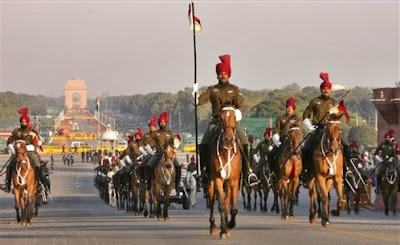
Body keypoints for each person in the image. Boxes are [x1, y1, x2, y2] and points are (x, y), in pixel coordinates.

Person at [194, 54, 254, 185]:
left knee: (244, 141)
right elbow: (201, 100)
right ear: (217, 75)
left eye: (225, 73)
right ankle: (204, 170)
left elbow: (240, 105)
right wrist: (195, 96)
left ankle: (247, 171)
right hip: (216, 121)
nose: (223, 75)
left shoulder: (235, 90)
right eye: (221, 73)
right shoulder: (212, 89)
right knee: (204, 143)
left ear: (229, 75)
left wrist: (237, 114)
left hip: (231, 123)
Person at [302, 72, 349, 179]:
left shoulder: (334, 101)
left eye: (328, 89)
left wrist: (338, 111)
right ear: (321, 90)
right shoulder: (315, 101)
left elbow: (338, 115)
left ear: (330, 90)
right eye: (324, 89)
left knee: (346, 146)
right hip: (318, 129)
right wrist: (309, 127)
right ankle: (306, 171)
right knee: (306, 148)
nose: (326, 90)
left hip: (331, 129)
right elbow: (305, 116)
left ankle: (347, 170)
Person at [0, 108, 46, 193]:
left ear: (27, 122)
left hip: (30, 152)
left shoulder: (31, 132)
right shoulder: (16, 131)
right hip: (18, 153)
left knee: (37, 165)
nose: (23, 123)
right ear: (20, 122)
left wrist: (25, 148)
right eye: (22, 122)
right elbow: (9, 141)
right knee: (10, 166)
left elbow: (35, 144)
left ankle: (41, 184)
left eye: (25, 122)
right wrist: (13, 149)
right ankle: (8, 184)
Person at [143, 111, 181, 188]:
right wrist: (149, 149)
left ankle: (177, 182)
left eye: (164, 122)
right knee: (149, 164)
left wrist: (177, 140)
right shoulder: (155, 133)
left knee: (178, 165)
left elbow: (174, 142)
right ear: (159, 123)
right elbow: (146, 141)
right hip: (158, 152)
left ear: (166, 123)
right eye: (161, 122)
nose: (162, 123)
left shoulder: (170, 132)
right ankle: (148, 182)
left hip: (168, 153)